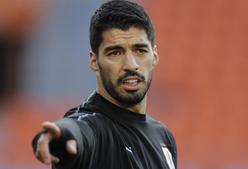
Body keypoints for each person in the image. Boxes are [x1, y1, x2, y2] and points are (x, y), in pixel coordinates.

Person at [31, 0, 177, 169]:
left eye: (140, 50)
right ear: (94, 61)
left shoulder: (164, 138)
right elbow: (78, 130)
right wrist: (61, 138)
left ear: (155, 56)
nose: (130, 64)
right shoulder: (95, 129)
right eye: (115, 52)